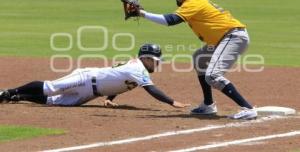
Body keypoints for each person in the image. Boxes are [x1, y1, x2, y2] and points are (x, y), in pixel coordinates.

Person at [137, 0, 257, 120]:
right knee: (200, 59)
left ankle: (247, 108)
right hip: (223, 39)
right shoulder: (193, 1)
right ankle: (208, 105)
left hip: (232, 37)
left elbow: (170, 20)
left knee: (212, 75)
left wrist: (142, 13)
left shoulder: (193, 2)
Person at [0, 43, 190, 109]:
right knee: (50, 88)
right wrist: (172, 102)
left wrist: (109, 98)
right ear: (146, 58)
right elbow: (152, 90)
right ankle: (8, 92)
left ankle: (20, 97)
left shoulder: (137, 69)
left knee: (55, 102)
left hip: (91, 93)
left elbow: (119, 81)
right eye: (156, 60)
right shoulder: (138, 68)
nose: (157, 63)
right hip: (86, 77)